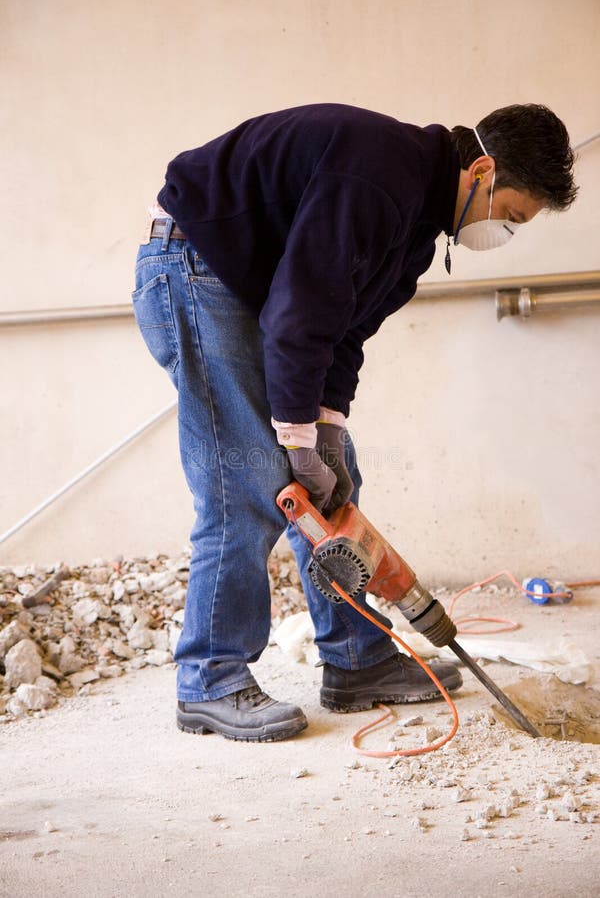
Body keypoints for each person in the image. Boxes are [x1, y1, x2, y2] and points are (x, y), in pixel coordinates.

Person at [132, 103, 577, 742]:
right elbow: (299, 314)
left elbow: (342, 332)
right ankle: (209, 677)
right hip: (193, 266)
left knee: (334, 482)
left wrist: (326, 431)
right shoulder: (379, 175)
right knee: (251, 477)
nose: (500, 232)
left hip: (239, 283)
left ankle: (355, 662)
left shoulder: (415, 232)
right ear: (481, 170)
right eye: (508, 214)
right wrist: (294, 437)